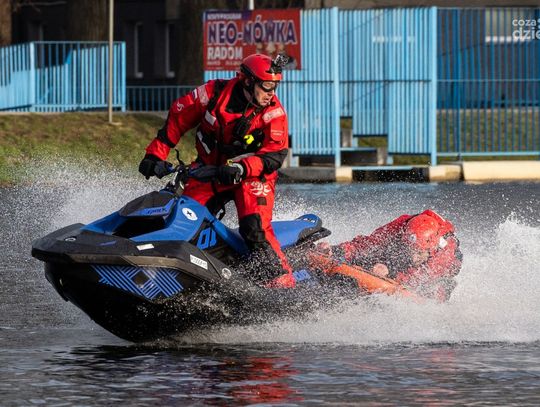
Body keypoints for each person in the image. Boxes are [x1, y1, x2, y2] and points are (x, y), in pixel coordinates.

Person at [138, 54, 295, 288]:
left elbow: (275, 155)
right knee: (180, 216)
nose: (271, 93)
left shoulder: (274, 112)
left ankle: (281, 283)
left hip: (252, 176)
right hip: (210, 171)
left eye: (275, 86)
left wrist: (242, 168)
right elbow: (178, 118)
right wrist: (155, 155)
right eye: (267, 86)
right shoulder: (212, 93)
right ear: (248, 81)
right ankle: (166, 270)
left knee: (255, 228)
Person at [312, 210, 462, 301]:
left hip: (443, 270)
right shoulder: (401, 226)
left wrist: (389, 271)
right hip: (403, 252)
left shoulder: (444, 254)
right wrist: (335, 250)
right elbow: (366, 244)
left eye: (419, 253)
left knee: (435, 291)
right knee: (373, 254)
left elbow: (416, 278)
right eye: (411, 250)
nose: (414, 257)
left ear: (432, 248)